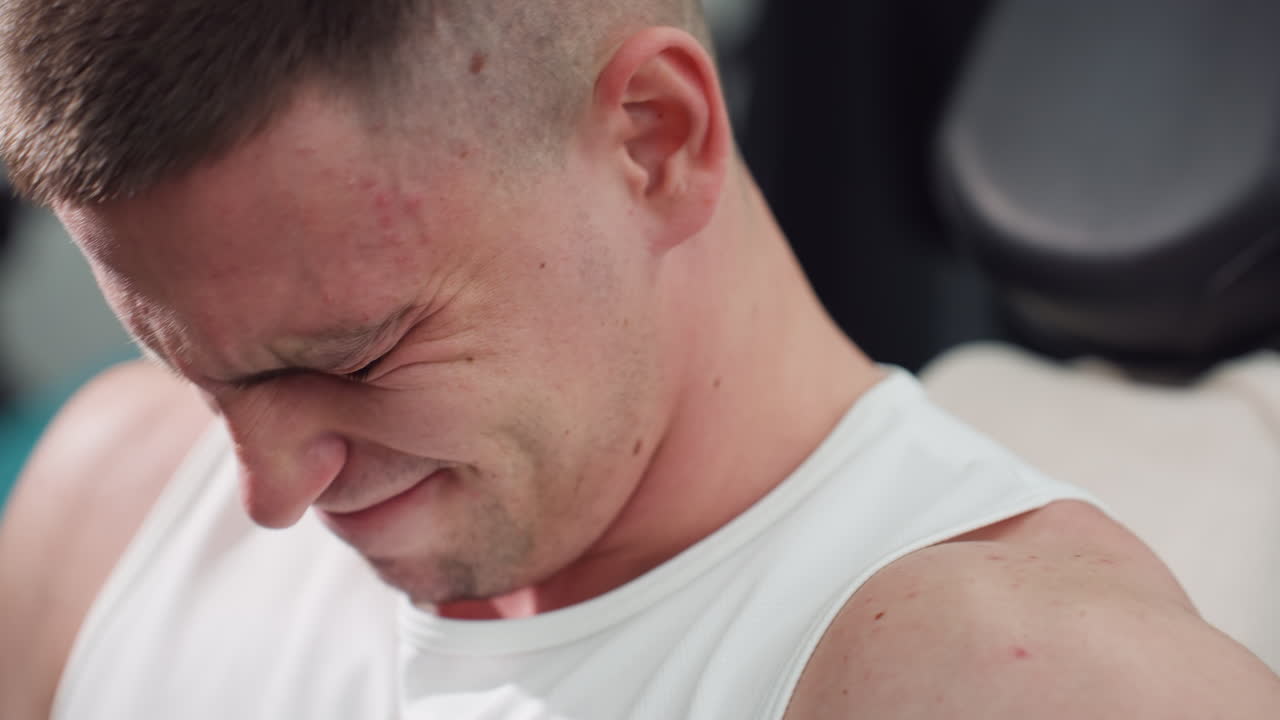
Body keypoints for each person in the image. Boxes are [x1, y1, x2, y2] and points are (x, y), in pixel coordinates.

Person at [0, 2, 1275, 718]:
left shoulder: (1017, 688)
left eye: (354, 355)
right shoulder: (102, 505)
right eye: (201, 370)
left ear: (653, 139)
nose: (269, 491)